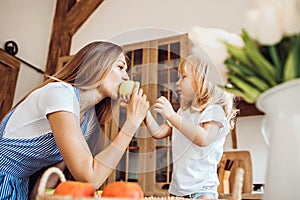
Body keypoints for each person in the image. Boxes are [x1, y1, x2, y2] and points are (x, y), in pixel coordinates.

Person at [0, 41, 149, 199]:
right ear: (97, 64)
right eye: (120, 67)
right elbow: (90, 177)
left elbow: (56, 165)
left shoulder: (89, 119)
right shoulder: (60, 93)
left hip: (18, 187)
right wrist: (132, 123)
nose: (126, 77)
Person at [144, 55, 238, 199]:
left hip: (203, 190)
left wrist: (171, 116)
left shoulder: (214, 111)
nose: (177, 83)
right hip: (178, 190)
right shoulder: (183, 112)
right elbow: (158, 133)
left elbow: (204, 139)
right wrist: (144, 112)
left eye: (183, 77)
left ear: (203, 81)